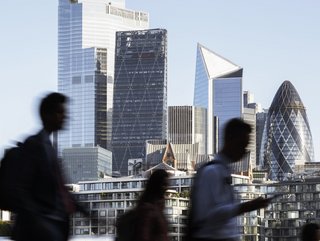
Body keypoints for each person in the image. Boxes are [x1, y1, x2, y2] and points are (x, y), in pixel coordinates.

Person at [12, 92, 82, 241]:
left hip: (52, 228)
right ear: (46, 115)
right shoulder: (35, 145)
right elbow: (20, 188)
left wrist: (86, 211)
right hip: (39, 232)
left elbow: (61, 189)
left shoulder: (49, 148)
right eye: (60, 112)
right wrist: (39, 222)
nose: (65, 117)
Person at [188, 118, 271, 241]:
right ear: (230, 140)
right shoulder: (211, 172)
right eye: (242, 145)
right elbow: (207, 215)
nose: (244, 152)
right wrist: (245, 207)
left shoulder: (224, 171)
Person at [117, 169, 169, 241]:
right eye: (164, 184)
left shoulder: (157, 209)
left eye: (167, 185)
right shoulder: (148, 210)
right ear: (156, 186)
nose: (166, 188)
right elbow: (143, 236)